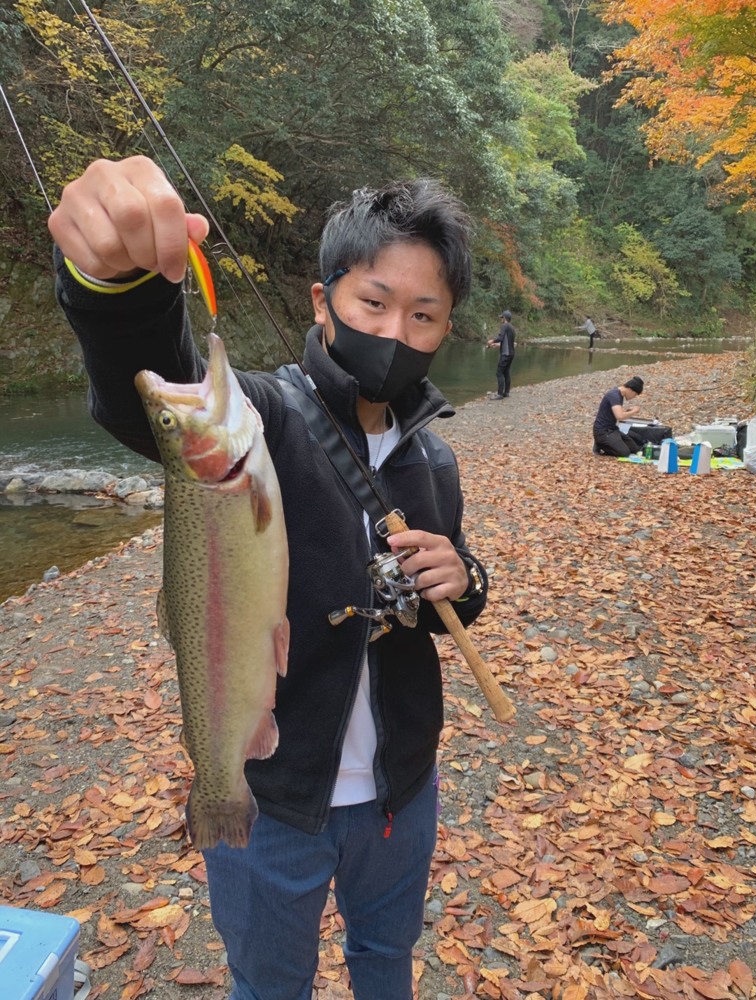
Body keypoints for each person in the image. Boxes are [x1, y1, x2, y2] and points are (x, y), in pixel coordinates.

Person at [48, 156, 489, 1000]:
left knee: (385, 966)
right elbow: (152, 381)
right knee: (269, 984)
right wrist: (115, 286)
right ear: (323, 301)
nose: (396, 332)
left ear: (446, 329)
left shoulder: (434, 456)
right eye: (374, 303)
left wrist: (463, 580)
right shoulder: (260, 418)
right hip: (273, 795)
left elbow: (447, 595)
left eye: (424, 315)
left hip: (402, 791)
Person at [592, 375, 645, 457]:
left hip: (612, 429)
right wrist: (634, 411)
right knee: (624, 453)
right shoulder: (614, 395)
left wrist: (628, 411)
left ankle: (607, 443)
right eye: (634, 395)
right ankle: (600, 444)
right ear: (630, 390)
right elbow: (619, 416)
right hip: (603, 431)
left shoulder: (619, 394)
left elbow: (616, 411)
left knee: (635, 449)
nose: (633, 397)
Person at [487, 309, 515, 398]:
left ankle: (499, 394)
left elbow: (501, 337)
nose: (501, 319)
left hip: (505, 354)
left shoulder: (504, 326)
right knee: (506, 372)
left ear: (504, 318)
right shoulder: (512, 328)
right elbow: (507, 342)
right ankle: (506, 392)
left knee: (499, 372)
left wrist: (492, 341)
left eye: (501, 318)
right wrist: (496, 345)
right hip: (511, 354)